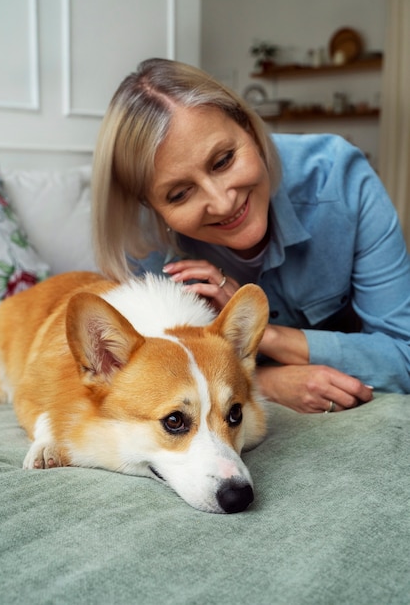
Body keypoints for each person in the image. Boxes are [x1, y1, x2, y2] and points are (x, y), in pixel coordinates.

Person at [92, 57, 410, 414]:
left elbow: (405, 354)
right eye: (179, 194)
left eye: (224, 160)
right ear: (149, 206)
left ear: (249, 127)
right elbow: (138, 383)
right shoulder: (142, 245)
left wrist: (268, 335)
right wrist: (268, 383)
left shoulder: (340, 179)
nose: (222, 201)